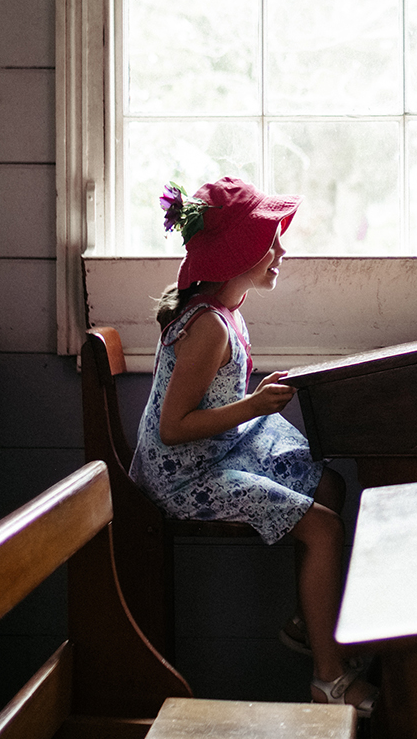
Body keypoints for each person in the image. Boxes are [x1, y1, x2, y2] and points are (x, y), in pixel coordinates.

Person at [130, 177, 374, 712]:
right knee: (325, 527)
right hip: (186, 477)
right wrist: (254, 406)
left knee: (327, 480)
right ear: (236, 255)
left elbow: (215, 399)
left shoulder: (228, 312)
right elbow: (174, 428)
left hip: (219, 449)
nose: (281, 249)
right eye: (269, 240)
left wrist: (254, 400)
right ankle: (328, 679)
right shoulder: (209, 328)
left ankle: (308, 623)